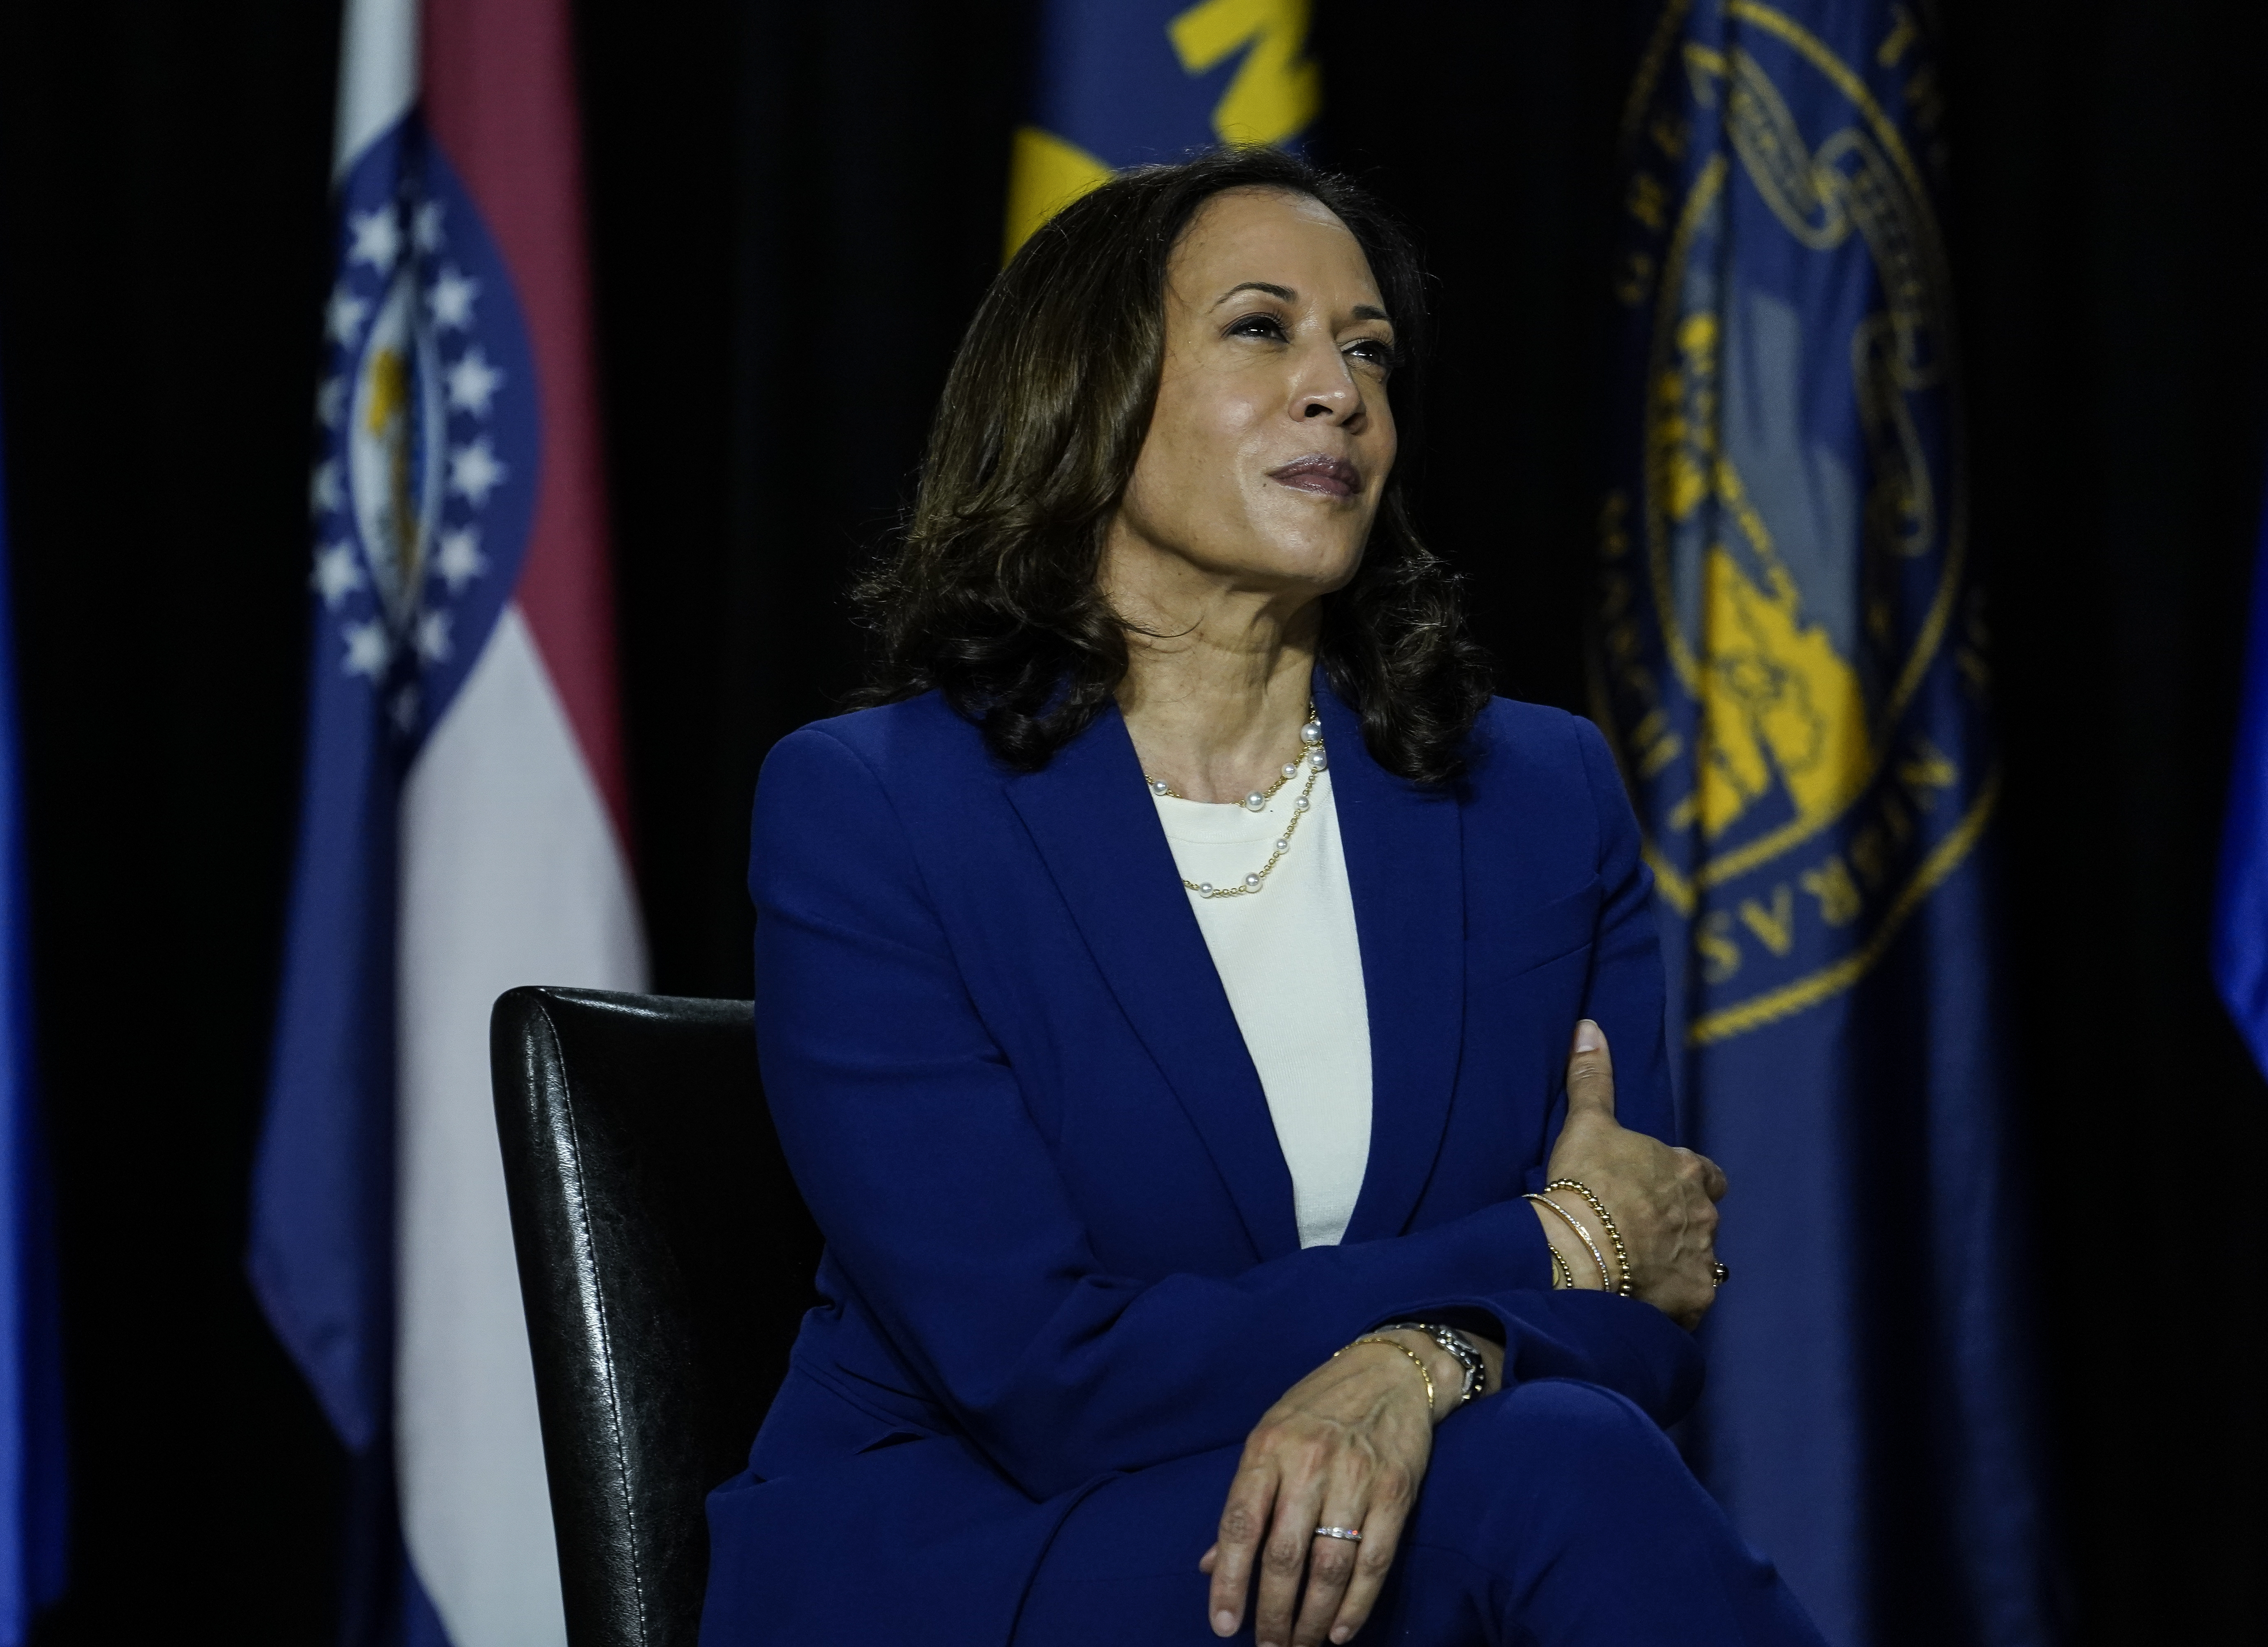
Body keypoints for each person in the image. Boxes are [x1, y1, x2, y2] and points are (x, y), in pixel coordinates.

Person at [701, 147, 1823, 1647]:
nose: (1340, 391)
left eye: (1369, 351)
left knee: (1558, 1457)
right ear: (1087, 389)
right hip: (983, 1552)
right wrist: (1538, 1255)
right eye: (1261, 329)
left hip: (1408, 1514)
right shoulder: (876, 809)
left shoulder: (1541, 796)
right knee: (1551, 1469)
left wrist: (1426, 1362)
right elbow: (1047, 1375)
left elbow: (1654, 1298)